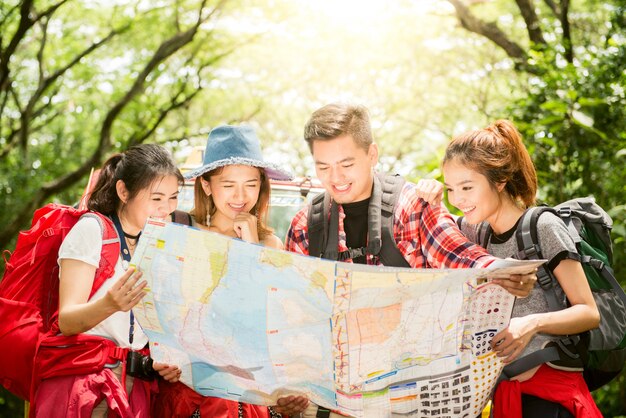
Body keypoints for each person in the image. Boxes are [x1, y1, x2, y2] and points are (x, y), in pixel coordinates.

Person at [284, 103, 537, 418]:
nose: (336, 178)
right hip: (332, 403)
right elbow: (293, 314)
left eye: (346, 163)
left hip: (408, 400)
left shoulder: (412, 205)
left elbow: (456, 253)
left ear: (372, 155)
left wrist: (504, 274)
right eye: (323, 167)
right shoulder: (306, 224)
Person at [422, 119, 602, 417]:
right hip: (504, 397)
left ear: (500, 181)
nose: (458, 199)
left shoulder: (543, 226)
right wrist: (428, 194)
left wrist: (531, 324)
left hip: (552, 397)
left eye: (467, 187)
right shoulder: (474, 232)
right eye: (451, 189)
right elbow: (431, 235)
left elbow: (588, 312)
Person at [153, 125, 309, 418]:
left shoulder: (270, 244)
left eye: (251, 183)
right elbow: (160, 310)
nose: (240, 195)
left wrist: (251, 246)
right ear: (207, 185)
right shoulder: (179, 230)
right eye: (228, 185)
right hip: (190, 392)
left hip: (250, 395)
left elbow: (271, 323)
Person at [33, 144, 184, 417]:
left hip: (134, 384)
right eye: (156, 198)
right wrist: (110, 303)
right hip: (85, 386)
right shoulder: (92, 230)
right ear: (124, 191)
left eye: (173, 198)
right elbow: (66, 320)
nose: (166, 209)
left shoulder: (156, 244)